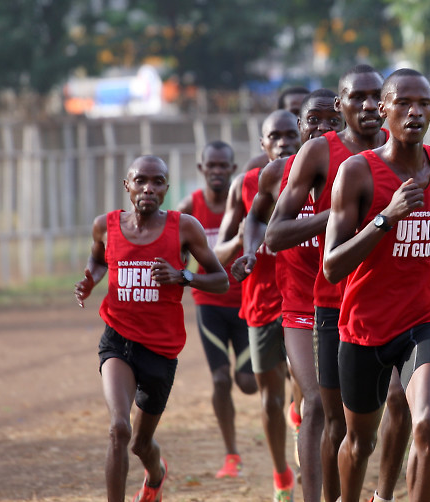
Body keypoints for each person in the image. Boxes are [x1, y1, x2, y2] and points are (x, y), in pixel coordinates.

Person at [323, 68, 430, 502]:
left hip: (426, 316)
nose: (416, 112)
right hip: (365, 327)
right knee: (359, 443)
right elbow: (332, 267)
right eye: (404, 103)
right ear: (383, 110)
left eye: (425, 103)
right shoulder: (357, 173)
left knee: (428, 420)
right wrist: (384, 218)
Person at [266, 64, 411, 502]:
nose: (368, 106)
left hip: (390, 302)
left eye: (375, 97)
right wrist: (344, 215)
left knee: (402, 401)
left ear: (387, 105)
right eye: (357, 97)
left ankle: (383, 495)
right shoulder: (319, 154)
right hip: (330, 303)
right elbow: (274, 234)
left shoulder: (401, 148)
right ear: (340, 105)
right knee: (338, 424)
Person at [74, 156, 229, 502]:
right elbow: (98, 259)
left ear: (167, 189)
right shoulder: (105, 225)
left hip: (161, 349)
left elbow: (220, 280)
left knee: (140, 443)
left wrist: (183, 277)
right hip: (118, 340)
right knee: (119, 429)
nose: (148, 188)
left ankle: (156, 474)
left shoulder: (184, 227)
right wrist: (90, 280)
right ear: (126, 186)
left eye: (157, 181)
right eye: (140, 181)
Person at [237, 89, 343, 502]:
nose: (320, 128)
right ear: (300, 128)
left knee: (345, 413)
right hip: (298, 303)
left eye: (329, 121)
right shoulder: (276, 174)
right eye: (311, 121)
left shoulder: (354, 169)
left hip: (347, 300)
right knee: (314, 402)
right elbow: (256, 218)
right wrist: (249, 251)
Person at [216, 109, 300, 501]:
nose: (284, 142)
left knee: (310, 389)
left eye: (290, 134)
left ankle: (304, 419)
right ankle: (281, 472)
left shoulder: (325, 177)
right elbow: (216, 250)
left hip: (308, 300)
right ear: (263, 145)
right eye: (275, 136)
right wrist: (241, 249)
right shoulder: (246, 186)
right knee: (270, 397)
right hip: (264, 303)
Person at [175, 141, 257, 478]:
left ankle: (280, 370)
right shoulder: (189, 208)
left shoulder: (245, 203)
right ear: (201, 169)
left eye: (224, 166)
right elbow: (173, 251)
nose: (218, 172)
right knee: (221, 379)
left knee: (249, 383)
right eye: (212, 166)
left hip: (244, 303)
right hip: (209, 304)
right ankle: (232, 455)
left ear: (233, 169)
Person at [241, 86, 310, 173]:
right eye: (294, 113)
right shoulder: (256, 167)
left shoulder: (320, 161)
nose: (300, 120)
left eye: (306, 114)